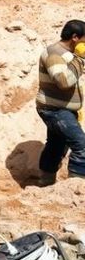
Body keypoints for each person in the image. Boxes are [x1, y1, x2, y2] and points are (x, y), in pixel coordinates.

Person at [36, 19, 85, 186]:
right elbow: (64, 82)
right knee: (81, 145)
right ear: (75, 38)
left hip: (63, 110)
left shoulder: (68, 54)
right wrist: (79, 59)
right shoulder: (55, 54)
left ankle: (45, 182)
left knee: (56, 145)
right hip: (54, 110)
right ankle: (76, 188)